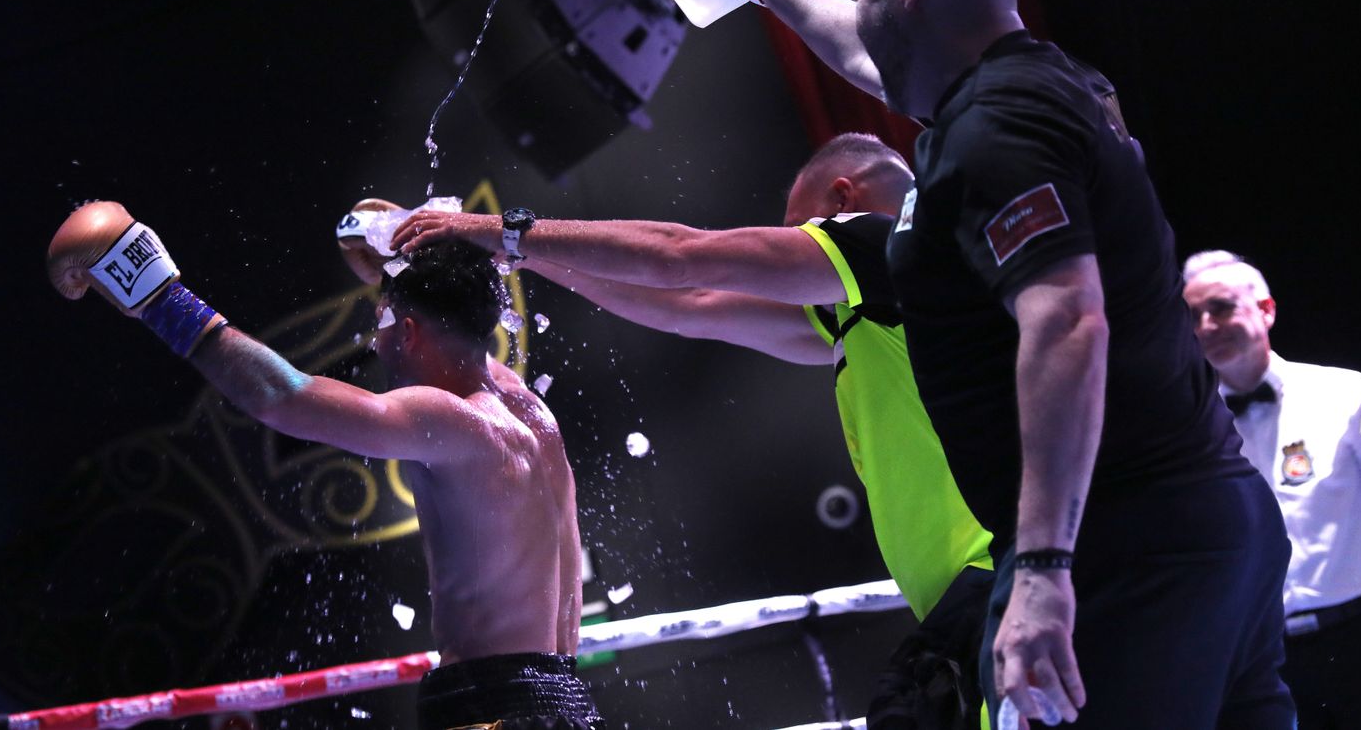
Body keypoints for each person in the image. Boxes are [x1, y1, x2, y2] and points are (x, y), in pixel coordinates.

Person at [656, 0, 1296, 727]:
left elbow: (1067, 322)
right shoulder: (1029, 89)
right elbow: (862, 52)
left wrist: (1040, 568)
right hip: (1206, 521)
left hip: (1125, 545)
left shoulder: (996, 127)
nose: (859, 9)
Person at [392, 133, 995, 729]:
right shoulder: (872, 311)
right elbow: (687, 304)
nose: (794, 249)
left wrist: (501, 230)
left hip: (995, 581)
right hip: (967, 595)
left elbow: (679, 256)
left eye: (800, 229)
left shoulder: (883, 244)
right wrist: (524, 255)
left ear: (842, 201)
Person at [46, 201, 604, 730]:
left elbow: (283, 397)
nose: (378, 342)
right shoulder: (529, 411)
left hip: (492, 710)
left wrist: (159, 298)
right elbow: (449, 302)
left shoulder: (452, 420)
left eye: (384, 322)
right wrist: (392, 250)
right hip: (566, 706)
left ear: (406, 330)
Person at [1183, 250, 1361, 727]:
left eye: (1219, 307)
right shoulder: (1190, 428)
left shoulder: (1346, 394)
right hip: (1255, 655)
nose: (1205, 325)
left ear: (1266, 309)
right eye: (1193, 315)